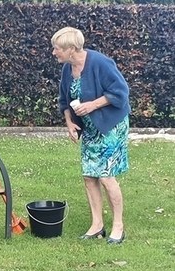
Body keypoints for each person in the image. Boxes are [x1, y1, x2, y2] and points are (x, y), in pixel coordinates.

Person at [52, 27, 130, 245]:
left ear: (71, 49)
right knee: (89, 176)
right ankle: (97, 226)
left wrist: (93, 105)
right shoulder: (68, 69)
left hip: (111, 125)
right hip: (90, 129)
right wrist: (69, 122)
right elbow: (64, 101)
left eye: (57, 48)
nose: (54, 52)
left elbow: (120, 93)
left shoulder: (100, 63)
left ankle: (118, 226)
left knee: (105, 175)